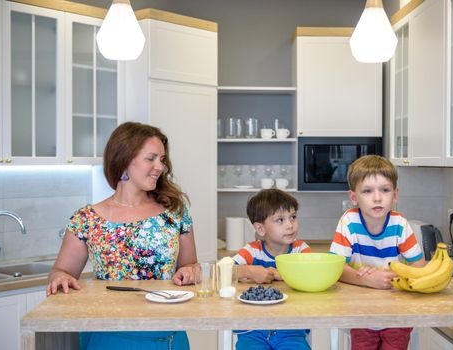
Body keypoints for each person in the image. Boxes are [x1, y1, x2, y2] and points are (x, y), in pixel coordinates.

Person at [46, 122, 197, 350]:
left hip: (166, 333)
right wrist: (60, 278)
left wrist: (190, 271)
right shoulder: (86, 219)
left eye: (162, 160)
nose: (160, 167)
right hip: (107, 334)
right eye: (151, 158)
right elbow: (61, 272)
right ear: (125, 159)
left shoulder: (175, 213)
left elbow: (190, 265)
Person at [329, 155, 426, 350]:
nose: (377, 197)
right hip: (360, 312)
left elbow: (419, 267)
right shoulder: (349, 222)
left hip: (397, 314)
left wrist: (393, 277)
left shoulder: (400, 225)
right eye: (367, 191)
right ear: (354, 197)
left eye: (385, 190)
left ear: (395, 194)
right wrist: (365, 279)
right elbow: (335, 269)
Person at [232, 189, 312, 350]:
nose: (290, 225)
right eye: (280, 220)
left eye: (293, 217)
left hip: (292, 329)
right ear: (260, 229)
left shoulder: (301, 249)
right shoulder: (251, 251)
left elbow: (310, 273)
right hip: (252, 330)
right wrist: (248, 271)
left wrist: (276, 273)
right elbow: (225, 270)